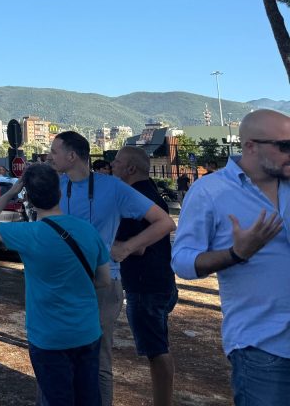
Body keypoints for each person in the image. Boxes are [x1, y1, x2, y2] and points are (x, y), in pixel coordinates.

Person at [171, 108, 290, 405]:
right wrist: (237, 253)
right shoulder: (210, 192)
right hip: (262, 346)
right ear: (250, 146)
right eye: (285, 146)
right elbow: (183, 261)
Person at [49, 131, 175, 406]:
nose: (49, 157)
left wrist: (127, 247)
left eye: (54, 152)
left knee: (97, 358)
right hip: (64, 285)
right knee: (59, 355)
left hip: (103, 285)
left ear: (71, 156)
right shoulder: (56, 187)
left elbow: (164, 222)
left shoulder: (113, 187)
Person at [0, 164, 110, 406]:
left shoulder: (29, 234)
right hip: (86, 331)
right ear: (59, 192)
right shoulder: (87, 230)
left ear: (28, 197)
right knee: (89, 397)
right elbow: (103, 280)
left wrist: (10, 192)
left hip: (48, 336)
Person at [112, 147, 178, 406]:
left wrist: (101, 239)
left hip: (146, 286)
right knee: (157, 346)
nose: (112, 165)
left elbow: (136, 246)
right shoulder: (149, 192)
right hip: (160, 281)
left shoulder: (134, 198)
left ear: (130, 168)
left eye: (117, 162)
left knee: (156, 350)